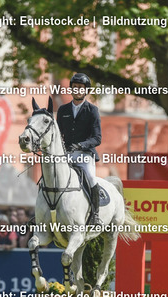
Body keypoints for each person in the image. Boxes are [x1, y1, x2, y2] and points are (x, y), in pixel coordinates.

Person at [56, 72, 102, 225]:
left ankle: (95, 214)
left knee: (91, 178)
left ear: (86, 90)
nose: (77, 90)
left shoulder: (92, 110)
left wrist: (81, 145)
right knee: (51, 175)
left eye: (80, 87)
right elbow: (58, 135)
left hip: (84, 154)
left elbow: (97, 138)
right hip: (67, 154)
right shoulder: (63, 110)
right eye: (74, 87)